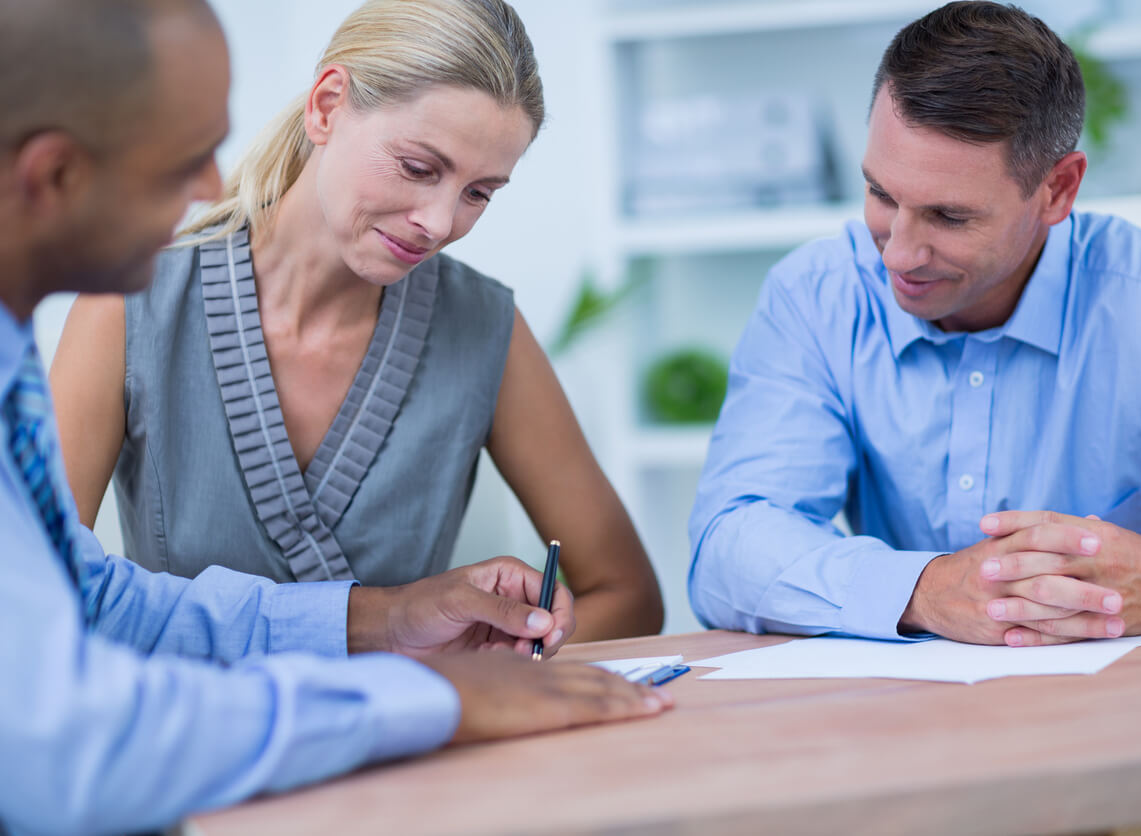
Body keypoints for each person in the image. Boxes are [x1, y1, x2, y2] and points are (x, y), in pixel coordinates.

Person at [0, 1, 671, 833]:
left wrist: (397, 625)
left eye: (479, 193)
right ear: (325, 108)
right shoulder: (134, 304)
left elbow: (91, 599)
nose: (440, 223)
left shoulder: (478, 323)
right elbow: (61, 722)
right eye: (418, 167)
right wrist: (414, 695)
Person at [688, 0, 1141, 648]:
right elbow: (728, 547)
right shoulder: (816, 299)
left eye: (949, 217)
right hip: (920, 729)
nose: (898, 253)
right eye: (880, 194)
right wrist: (926, 589)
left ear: (1058, 190)